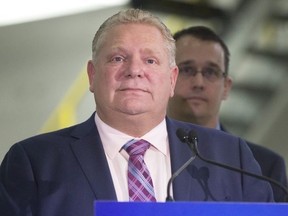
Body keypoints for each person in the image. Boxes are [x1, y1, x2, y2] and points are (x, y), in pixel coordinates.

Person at [0, 9, 274, 216]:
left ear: (171, 79)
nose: (134, 70)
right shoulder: (33, 162)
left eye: (150, 60)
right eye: (118, 58)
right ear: (92, 75)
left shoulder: (230, 156)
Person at [167, 25, 288, 202]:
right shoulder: (140, 153)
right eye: (187, 69)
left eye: (210, 72)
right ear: (167, 77)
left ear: (226, 87)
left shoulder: (266, 166)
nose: (199, 82)